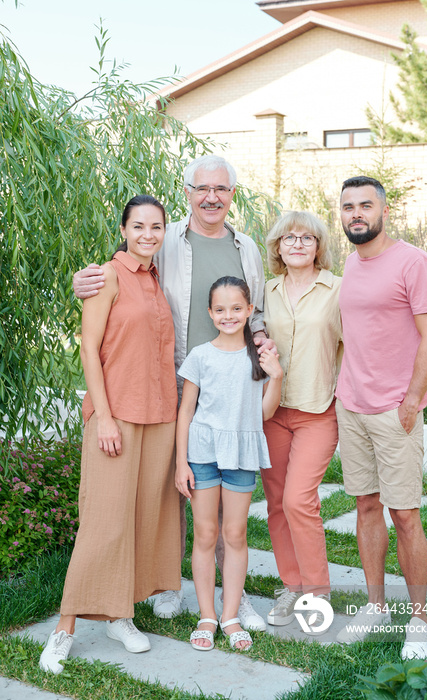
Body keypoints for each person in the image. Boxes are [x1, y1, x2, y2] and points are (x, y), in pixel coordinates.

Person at [72, 155, 271, 631]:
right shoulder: (165, 240)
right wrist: (83, 280)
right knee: (176, 484)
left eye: (221, 189)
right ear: (188, 191)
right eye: (202, 188)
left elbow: (256, 310)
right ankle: (167, 584)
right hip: (175, 376)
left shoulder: (247, 249)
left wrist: (261, 343)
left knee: (223, 488)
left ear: (232, 195)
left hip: (229, 380)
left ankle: (231, 594)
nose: (211, 197)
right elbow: (124, 274)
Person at [39, 195, 180, 674]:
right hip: (115, 416)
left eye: (156, 226)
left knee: (144, 518)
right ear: (123, 229)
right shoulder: (107, 276)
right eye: (138, 226)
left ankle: (122, 615)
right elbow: (89, 349)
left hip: (159, 415)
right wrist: (102, 416)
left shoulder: (157, 281)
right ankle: (64, 628)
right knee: (103, 521)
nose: (147, 234)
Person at [334, 176, 427, 659]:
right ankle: (376, 606)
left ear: (383, 210)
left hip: (394, 411)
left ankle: (418, 619)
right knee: (365, 507)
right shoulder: (351, 264)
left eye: (365, 205)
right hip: (351, 407)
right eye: (347, 207)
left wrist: (412, 398)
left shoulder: (413, 262)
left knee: (405, 514)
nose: (356, 213)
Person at [175, 277, 283, 651]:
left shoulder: (258, 358)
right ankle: (207, 615)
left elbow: (263, 414)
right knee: (205, 534)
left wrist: (277, 378)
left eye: (237, 308)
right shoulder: (201, 356)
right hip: (202, 455)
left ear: (250, 310)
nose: (229, 315)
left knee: (234, 534)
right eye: (220, 309)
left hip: (241, 454)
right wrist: (180, 464)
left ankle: (231, 614)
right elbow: (185, 412)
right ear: (210, 313)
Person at [261, 212, 342, 627]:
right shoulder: (265, 291)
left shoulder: (338, 290)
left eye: (306, 237)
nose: (296, 244)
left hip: (317, 411)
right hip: (272, 412)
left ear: (318, 246)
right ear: (277, 246)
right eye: (288, 237)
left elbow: (362, 342)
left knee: (298, 500)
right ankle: (290, 587)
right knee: (276, 503)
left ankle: (317, 592)